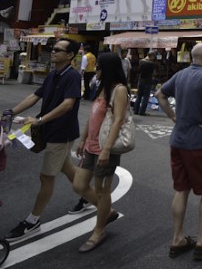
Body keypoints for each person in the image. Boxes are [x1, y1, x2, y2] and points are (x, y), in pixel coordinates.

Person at [4, 38, 97, 241]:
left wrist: (39, 119)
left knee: (46, 178)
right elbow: (35, 96)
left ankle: (33, 220)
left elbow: (68, 105)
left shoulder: (72, 76)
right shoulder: (53, 74)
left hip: (60, 133)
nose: (52, 52)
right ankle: (87, 195)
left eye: (57, 50)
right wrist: (11, 112)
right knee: (67, 168)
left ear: (70, 55)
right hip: (50, 131)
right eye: (52, 49)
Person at [155, 43, 202, 261]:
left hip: (178, 141)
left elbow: (160, 94)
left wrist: (173, 117)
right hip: (199, 144)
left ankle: (177, 239)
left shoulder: (180, 75)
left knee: (181, 188)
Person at [72, 52, 126, 253]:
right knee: (79, 185)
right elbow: (92, 117)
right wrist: (83, 139)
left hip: (105, 149)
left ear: (108, 68)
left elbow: (118, 120)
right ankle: (107, 211)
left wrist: (107, 149)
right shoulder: (101, 87)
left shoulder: (118, 90)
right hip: (90, 147)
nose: (96, 70)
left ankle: (99, 230)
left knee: (103, 191)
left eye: (99, 67)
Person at [134, 51, 157, 116]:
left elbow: (139, 70)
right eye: (154, 56)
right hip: (147, 81)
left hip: (141, 80)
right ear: (151, 56)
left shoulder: (141, 61)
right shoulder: (151, 64)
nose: (154, 58)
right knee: (146, 97)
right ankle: (142, 111)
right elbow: (154, 73)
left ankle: (136, 110)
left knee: (139, 96)